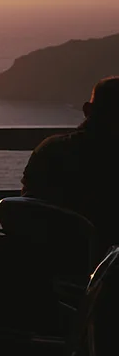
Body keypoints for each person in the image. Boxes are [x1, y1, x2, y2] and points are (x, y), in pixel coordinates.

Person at [22, 76, 119, 247]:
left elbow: (27, 203)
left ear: (87, 110)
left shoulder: (50, 149)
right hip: (104, 262)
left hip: (46, 256)